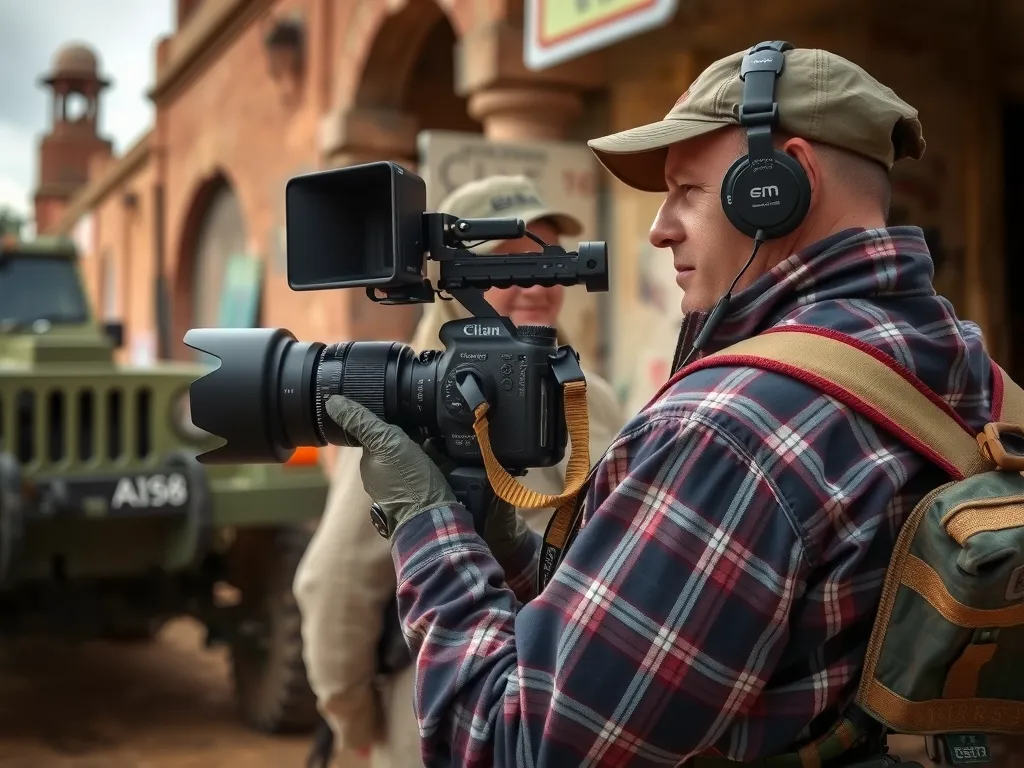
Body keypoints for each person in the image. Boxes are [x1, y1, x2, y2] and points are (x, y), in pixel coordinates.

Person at [317, 43, 1002, 766]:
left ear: (779, 183)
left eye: (688, 191)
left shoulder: (729, 431)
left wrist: (425, 526)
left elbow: (519, 742)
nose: (659, 226)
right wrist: (507, 548)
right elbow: (669, 623)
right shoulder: (969, 369)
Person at [292, 175, 625, 768]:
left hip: (567, 709)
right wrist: (354, 721)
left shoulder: (587, 396)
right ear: (456, 281)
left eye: (546, 259)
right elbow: (337, 581)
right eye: (508, 264)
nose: (536, 283)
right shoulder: (413, 403)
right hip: (438, 712)